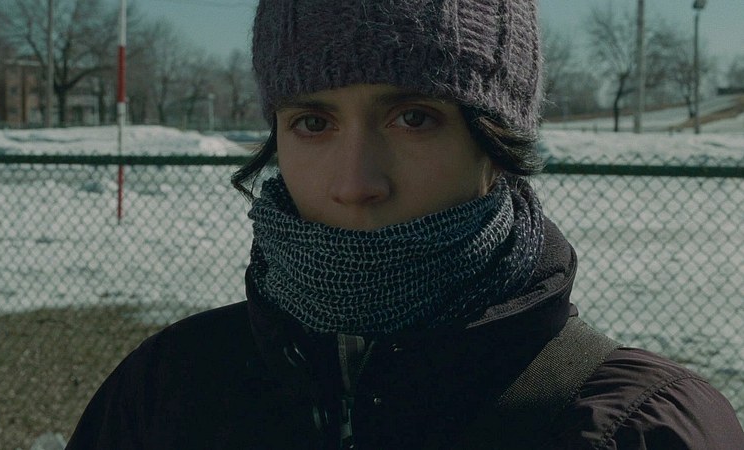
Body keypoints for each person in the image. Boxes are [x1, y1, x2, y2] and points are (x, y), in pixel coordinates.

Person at [66, 1, 744, 448]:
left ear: (495, 145)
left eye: (413, 118)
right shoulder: (168, 390)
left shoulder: (636, 428)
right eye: (313, 123)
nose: (356, 183)